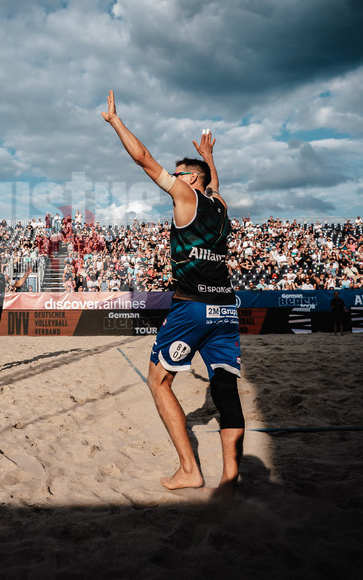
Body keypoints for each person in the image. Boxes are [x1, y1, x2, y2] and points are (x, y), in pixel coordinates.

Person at [102, 89, 244, 497]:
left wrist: (116, 123)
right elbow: (213, 183)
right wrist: (209, 157)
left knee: (158, 381)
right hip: (225, 310)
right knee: (225, 388)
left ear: (190, 181)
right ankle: (230, 478)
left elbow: (144, 159)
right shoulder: (220, 205)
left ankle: (189, 470)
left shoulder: (185, 195)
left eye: (182, 173)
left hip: (193, 306)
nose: (175, 178)